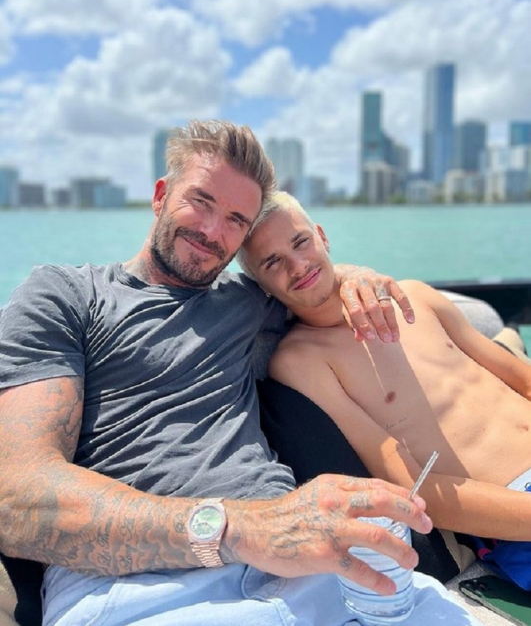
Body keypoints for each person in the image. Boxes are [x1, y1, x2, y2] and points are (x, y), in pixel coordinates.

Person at [0, 121, 482, 626]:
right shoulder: (67, 295)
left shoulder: (248, 301)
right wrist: (240, 529)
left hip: (302, 560)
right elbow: (17, 499)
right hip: (140, 584)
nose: (213, 232)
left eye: (236, 220)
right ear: (161, 196)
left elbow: (310, 281)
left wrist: (354, 277)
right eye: (201, 201)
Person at [238, 190, 531, 591]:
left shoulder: (416, 296)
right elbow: (415, 489)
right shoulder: (302, 362)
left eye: (301, 242)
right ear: (261, 285)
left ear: (322, 236)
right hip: (516, 509)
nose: (298, 264)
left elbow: (520, 378)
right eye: (273, 262)